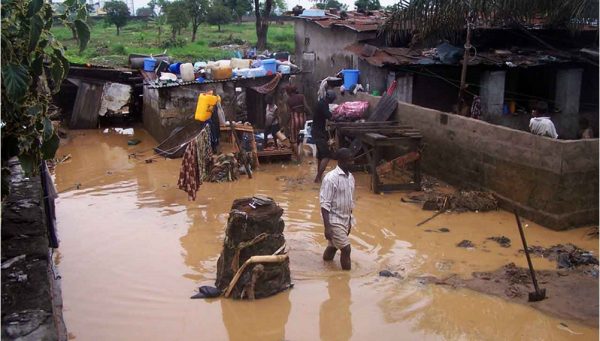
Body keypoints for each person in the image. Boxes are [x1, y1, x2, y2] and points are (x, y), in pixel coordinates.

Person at [320, 148, 355, 271]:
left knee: (333, 246)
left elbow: (350, 201)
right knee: (346, 249)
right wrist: (327, 227)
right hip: (333, 220)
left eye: (352, 160)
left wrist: (349, 221)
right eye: (349, 160)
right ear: (341, 161)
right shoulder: (331, 179)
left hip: (345, 219)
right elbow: (324, 205)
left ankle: (325, 266)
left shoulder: (351, 178)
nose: (353, 163)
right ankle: (346, 279)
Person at [313, 90, 337, 183]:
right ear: (330, 99)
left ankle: (318, 177)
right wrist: (337, 116)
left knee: (320, 156)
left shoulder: (322, 103)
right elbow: (329, 116)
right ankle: (318, 178)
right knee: (327, 156)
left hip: (317, 131)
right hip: (319, 133)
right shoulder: (323, 105)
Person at [285, 85, 312, 161]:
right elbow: (306, 107)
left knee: (293, 139)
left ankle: (298, 158)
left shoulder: (288, 100)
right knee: (301, 137)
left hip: (294, 120)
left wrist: (286, 123)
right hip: (303, 119)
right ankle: (301, 152)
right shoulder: (301, 96)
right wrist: (310, 114)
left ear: (288, 92)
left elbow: (288, 113)